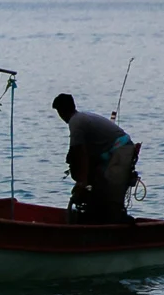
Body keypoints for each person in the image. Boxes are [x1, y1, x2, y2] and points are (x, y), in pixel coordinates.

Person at [53, 92, 139, 224]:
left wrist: (82, 182)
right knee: (98, 189)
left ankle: (119, 224)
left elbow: (79, 154)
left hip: (122, 151)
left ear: (61, 112)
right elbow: (82, 155)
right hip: (116, 151)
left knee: (111, 200)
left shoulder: (75, 122)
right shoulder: (81, 117)